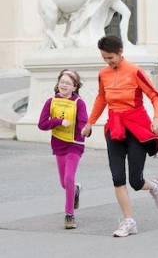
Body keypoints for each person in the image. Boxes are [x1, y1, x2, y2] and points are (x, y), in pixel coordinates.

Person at [80, 35, 158, 238]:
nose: (108, 62)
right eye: (104, 58)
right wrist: (90, 122)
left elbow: (155, 95)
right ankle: (129, 221)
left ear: (120, 52)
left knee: (136, 182)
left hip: (136, 127)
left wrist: (157, 118)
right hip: (114, 128)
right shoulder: (103, 74)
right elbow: (102, 98)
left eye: (110, 57)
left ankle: (153, 186)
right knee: (118, 178)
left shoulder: (135, 72)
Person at [38, 69, 90, 229]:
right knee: (64, 183)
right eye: (62, 82)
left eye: (68, 83)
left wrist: (85, 129)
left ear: (75, 87)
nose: (64, 85)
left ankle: (69, 215)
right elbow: (42, 124)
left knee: (68, 177)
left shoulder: (79, 103)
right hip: (59, 144)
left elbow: (83, 122)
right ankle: (75, 190)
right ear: (58, 84)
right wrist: (58, 122)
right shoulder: (51, 102)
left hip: (75, 144)